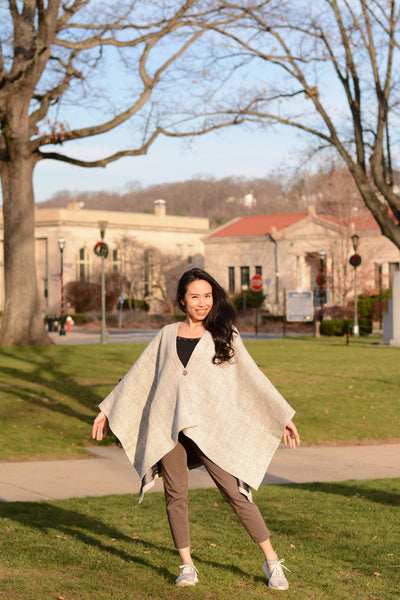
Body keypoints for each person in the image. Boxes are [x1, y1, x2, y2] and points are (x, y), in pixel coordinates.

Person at [92, 268, 300, 590]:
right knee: (176, 495)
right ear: (182, 300)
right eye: (195, 297)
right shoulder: (166, 336)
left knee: (236, 492)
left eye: (207, 296)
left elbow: (252, 379)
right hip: (169, 428)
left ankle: (272, 561)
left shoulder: (224, 335)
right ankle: (187, 565)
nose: (202, 303)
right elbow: (138, 376)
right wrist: (108, 410)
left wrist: (281, 416)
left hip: (210, 428)